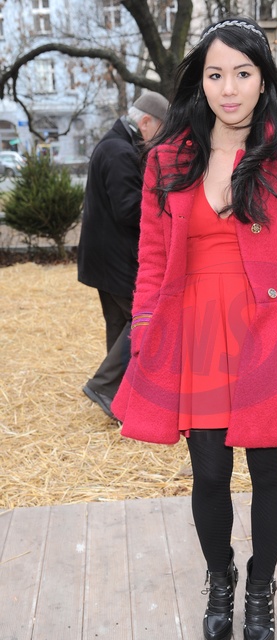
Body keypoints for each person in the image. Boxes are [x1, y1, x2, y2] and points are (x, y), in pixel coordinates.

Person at [111, 16, 277, 640]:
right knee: (210, 472)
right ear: (200, 80)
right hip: (196, 336)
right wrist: (144, 339)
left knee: (269, 470)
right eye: (216, 73)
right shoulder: (166, 160)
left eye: (243, 74)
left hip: (268, 335)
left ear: (262, 81)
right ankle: (219, 579)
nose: (229, 88)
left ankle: (260, 588)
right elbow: (150, 262)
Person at [77, 92, 169, 418]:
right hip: (116, 258)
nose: (161, 140)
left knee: (120, 326)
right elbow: (129, 209)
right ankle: (105, 386)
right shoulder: (120, 151)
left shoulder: (114, 144)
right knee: (146, 320)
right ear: (145, 122)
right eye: (160, 130)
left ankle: (118, 399)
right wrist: (166, 202)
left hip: (103, 257)